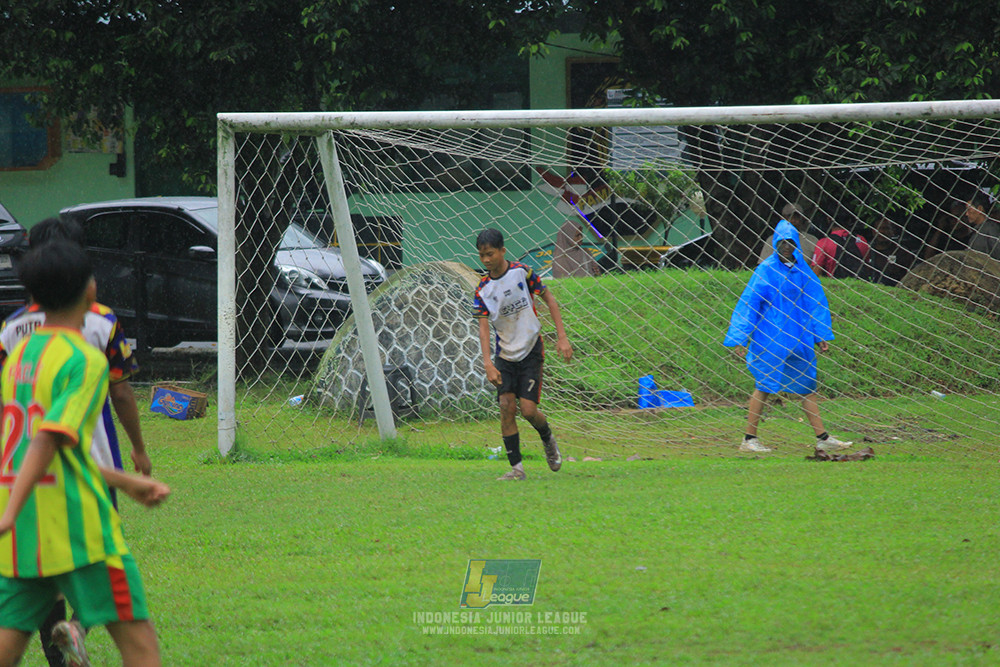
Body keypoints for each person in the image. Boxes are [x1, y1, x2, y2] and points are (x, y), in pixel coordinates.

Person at [0, 240, 170, 667]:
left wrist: (126, 480)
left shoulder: (19, 354)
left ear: (33, 298)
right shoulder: (84, 359)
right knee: (141, 646)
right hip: (79, 532)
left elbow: (42, 449)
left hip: (26, 536)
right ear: (90, 290)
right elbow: (47, 441)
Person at [724, 220, 853, 454]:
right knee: (763, 384)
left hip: (798, 337)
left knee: (807, 386)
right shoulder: (766, 269)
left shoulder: (803, 270)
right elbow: (749, 304)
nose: (786, 246)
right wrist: (740, 336)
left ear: (796, 244)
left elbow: (814, 302)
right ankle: (749, 439)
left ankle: (822, 437)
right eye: (782, 242)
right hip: (770, 337)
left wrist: (819, 333)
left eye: (790, 242)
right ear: (775, 243)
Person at [473, 228, 573, 480]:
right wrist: (487, 362)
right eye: (482, 255)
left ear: (503, 251)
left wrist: (562, 338)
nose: (486, 260)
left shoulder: (522, 272)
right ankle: (517, 469)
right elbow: (483, 328)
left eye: (490, 254)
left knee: (528, 410)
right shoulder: (482, 290)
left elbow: (549, 299)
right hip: (504, 356)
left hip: (530, 350)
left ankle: (547, 437)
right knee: (506, 406)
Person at [812, 205, 872, 279]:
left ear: (828, 219)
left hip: (835, 286)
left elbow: (816, 272)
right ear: (849, 221)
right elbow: (867, 267)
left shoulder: (824, 243)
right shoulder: (862, 240)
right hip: (859, 286)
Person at [758, 202, 818, 266]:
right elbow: (763, 265)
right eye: (789, 217)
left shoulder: (812, 240)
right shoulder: (772, 240)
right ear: (782, 218)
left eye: (796, 217)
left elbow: (817, 266)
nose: (793, 221)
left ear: (802, 219)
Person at [867, 216, 918, 286]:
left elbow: (911, 274)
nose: (882, 232)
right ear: (873, 231)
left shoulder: (901, 251)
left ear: (893, 231)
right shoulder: (867, 250)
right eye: (879, 228)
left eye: (886, 228)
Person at [968, 191, 1000, 260]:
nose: (966, 214)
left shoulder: (991, 228)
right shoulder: (977, 230)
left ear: (979, 209)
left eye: (969, 210)